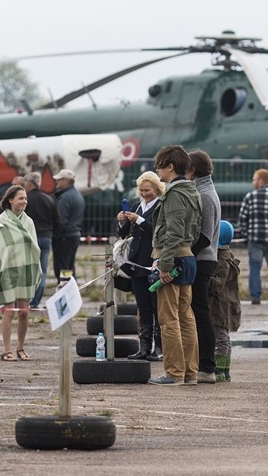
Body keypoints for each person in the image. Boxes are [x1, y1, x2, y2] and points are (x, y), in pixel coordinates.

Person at [148, 144, 201, 386]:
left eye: (159, 165)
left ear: (170, 167)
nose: (157, 170)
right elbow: (195, 230)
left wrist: (165, 265)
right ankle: (189, 372)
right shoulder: (193, 191)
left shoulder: (174, 194)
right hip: (187, 256)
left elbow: (174, 232)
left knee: (168, 319)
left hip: (172, 258)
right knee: (186, 317)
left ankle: (174, 372)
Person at [0, 185, 41, 362]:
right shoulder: (1, 221)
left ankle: (21, 348)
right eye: (21, 198)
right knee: (9, 311)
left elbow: (33, 246)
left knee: (24, 312)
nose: (24, 202)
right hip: (7, 270)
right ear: (10, 200)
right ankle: (6, 350)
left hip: (26, 270)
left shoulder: (28, 222)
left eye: (25, 199)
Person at [116, 171, 165, 361]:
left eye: (148, 190)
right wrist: (122, 222)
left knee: (156, 307)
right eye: (142, 190)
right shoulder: (137, 206)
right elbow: (125, 233)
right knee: (143, 307)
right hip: (136, 263)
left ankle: (159, 348)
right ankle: (144, 347)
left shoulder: (161, 205)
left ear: (157, 189)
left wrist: (141, 221)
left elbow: (158, 231)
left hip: (153, 262)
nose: (144, 194)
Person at [186, 150, 221, 384]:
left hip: (202, 258)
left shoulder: (205, 194)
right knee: (198, 311)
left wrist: (186, 255)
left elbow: (205, 236)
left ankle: (207, 367)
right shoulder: (204, 190)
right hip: (202, 257)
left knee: (200, 312)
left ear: (192, 170)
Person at [238, 169, 268, 305]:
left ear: (261, 180)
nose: (253, 182)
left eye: (254, 179)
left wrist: (247, 234)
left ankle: (255, 296)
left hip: (255, 239)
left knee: (255, 267)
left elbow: (242, 219)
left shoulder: (249, 197)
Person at [208, 220, 241, 383]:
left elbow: (217, 285)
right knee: (223, 337)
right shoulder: (226, 256)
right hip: (224, 304)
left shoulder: (222, 260)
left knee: (221, 337)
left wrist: (203, 279)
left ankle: (221, 370)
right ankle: (225, 369)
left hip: (220, 305)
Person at [23, 172, 59, 309]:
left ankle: (26, 300)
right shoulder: (48, 199)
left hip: (30, 238)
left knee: (27, 270)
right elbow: (57, 220)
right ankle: (35, 302)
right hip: (46, 238)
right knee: (41, 270)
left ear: (29, 184)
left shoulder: (25, 200)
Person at [52, 168, 85, 281]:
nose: (57, 182)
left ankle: (64, 289)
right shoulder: (77, 195)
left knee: (62, 268)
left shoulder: (65, 197)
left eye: (59, 180)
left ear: (66, 181)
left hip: (64, 237)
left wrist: (55, 235)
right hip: (74, 235)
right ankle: (71, 291)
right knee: (69, 267)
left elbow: (61, 220)